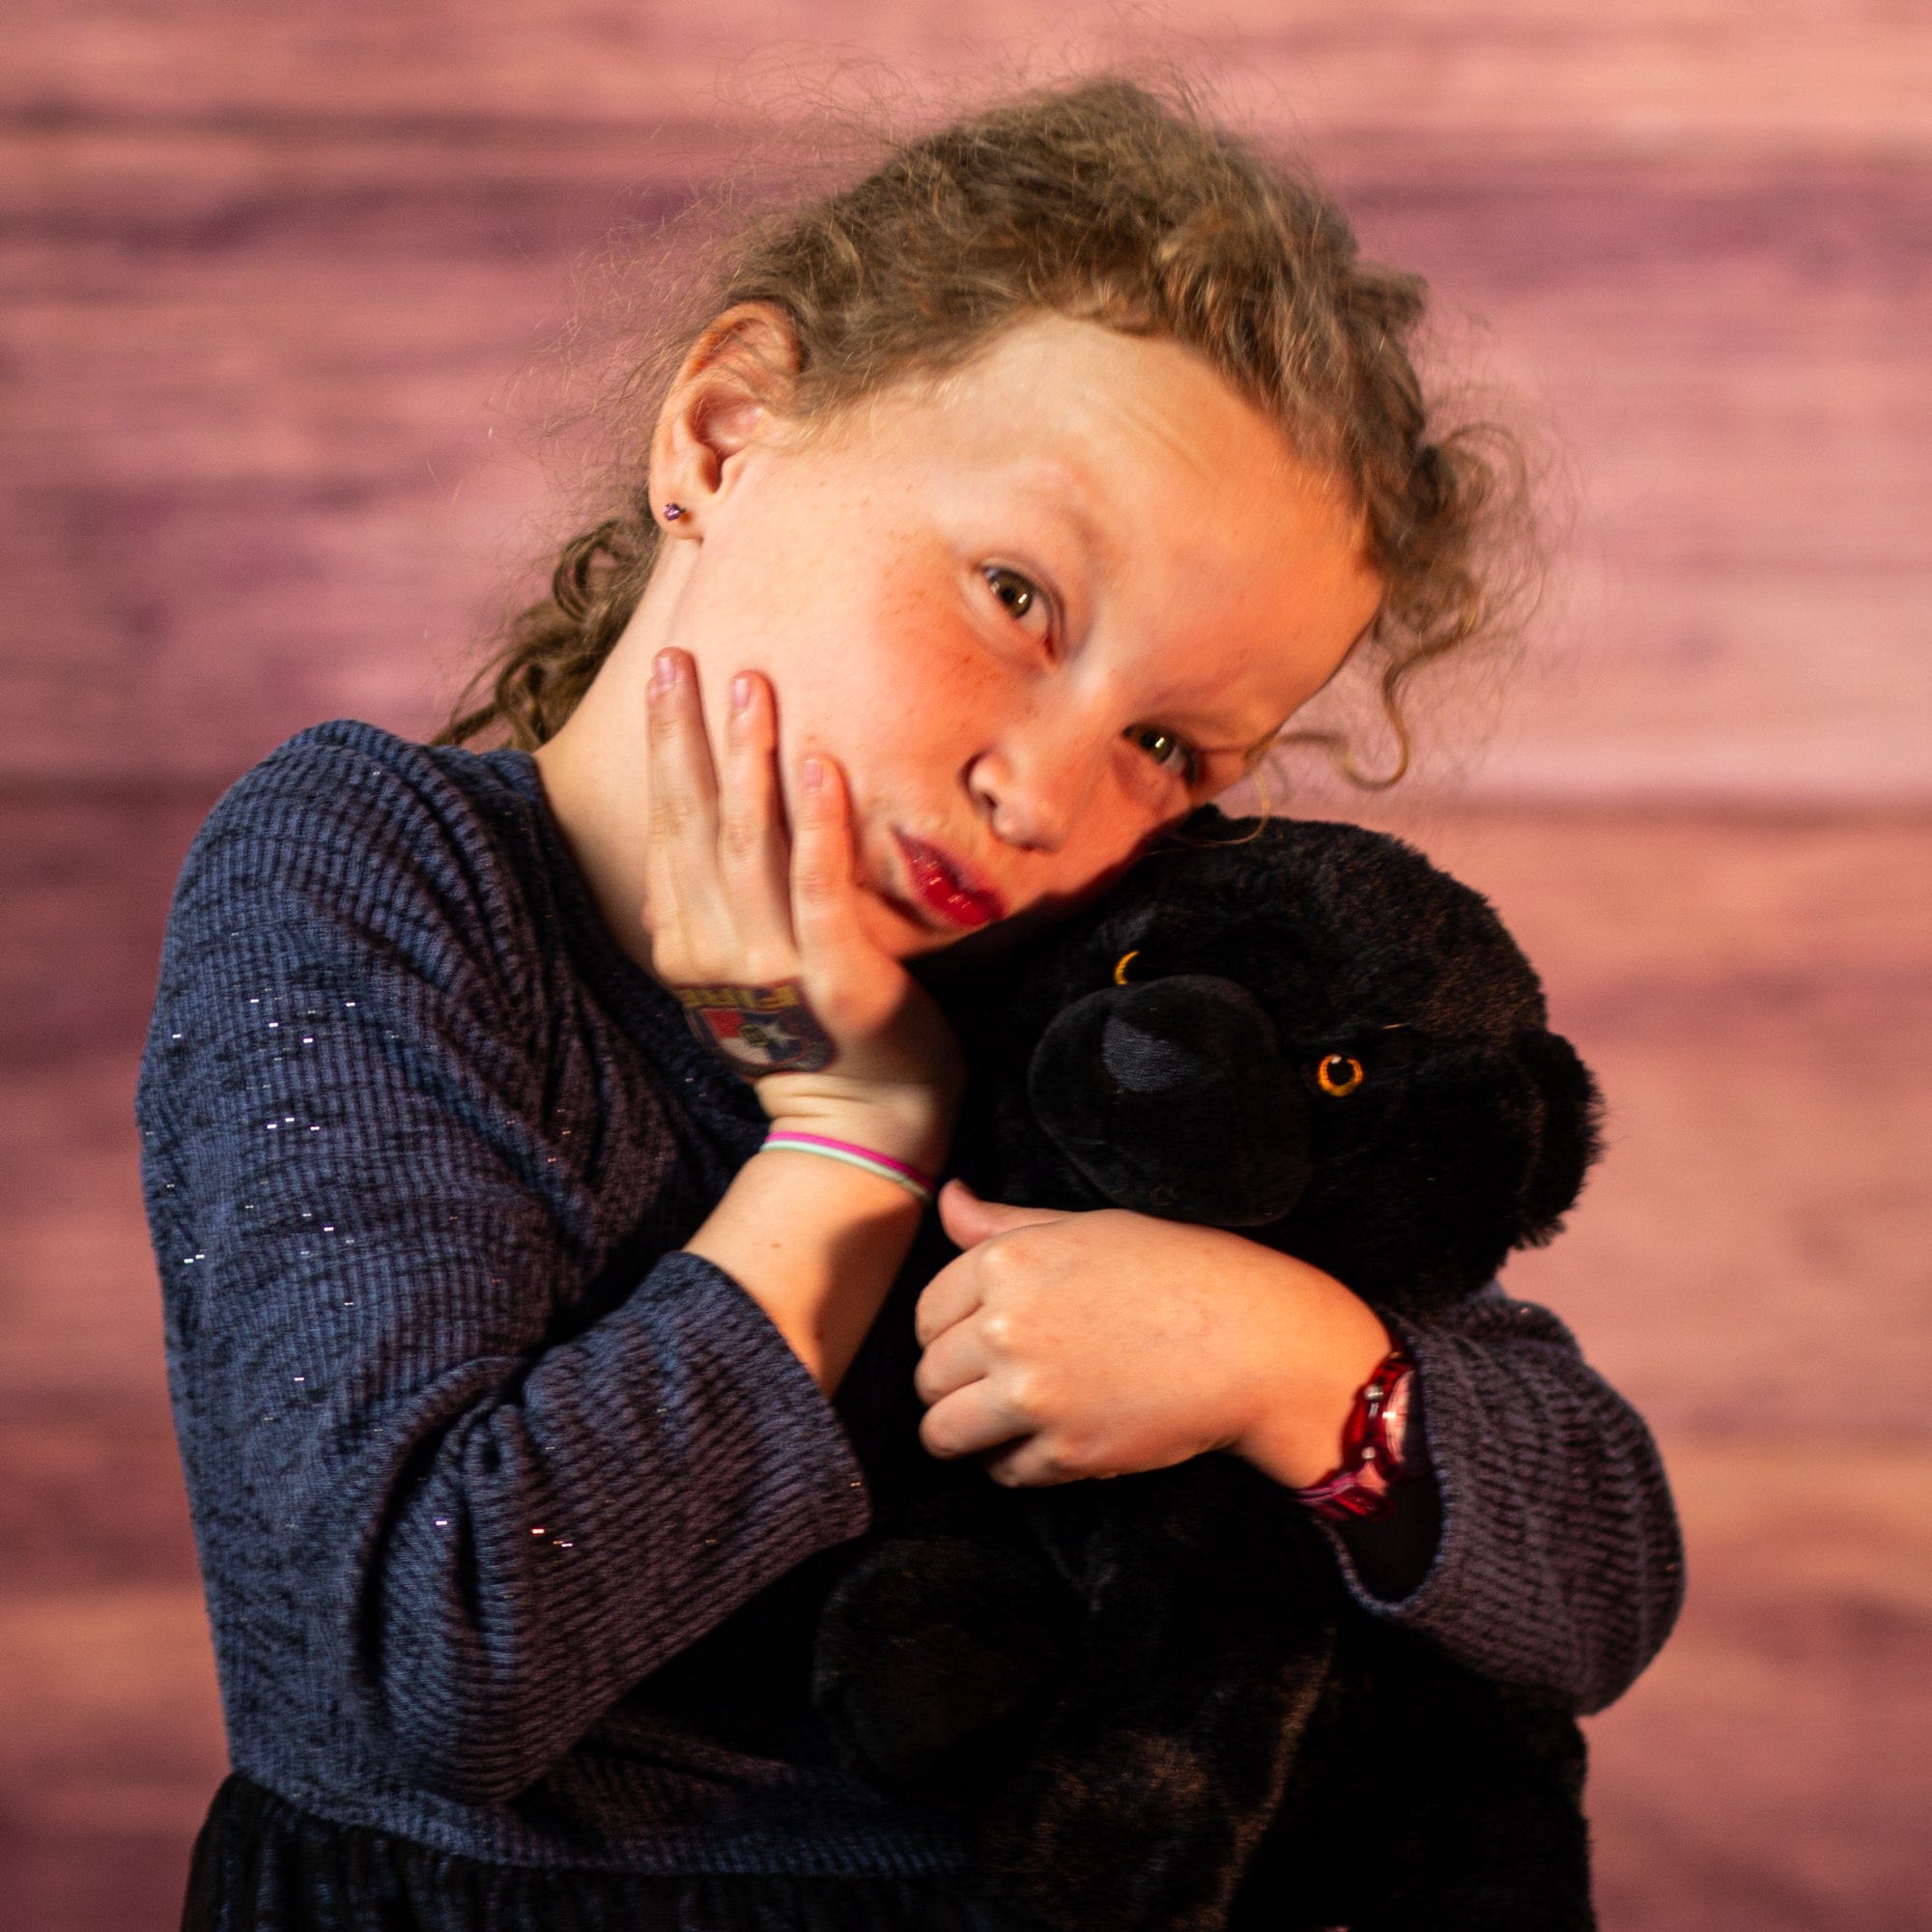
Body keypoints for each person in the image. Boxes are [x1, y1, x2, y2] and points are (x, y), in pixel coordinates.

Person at [136, 72, 1684, 1932]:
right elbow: (425, 1664)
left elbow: (1604, 1571)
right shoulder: (382, 878)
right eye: (1017, 594)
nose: (1042, 794)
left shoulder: (1121, 986)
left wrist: (1287, 1364)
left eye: (1170, 744)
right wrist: (850, 1135)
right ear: (725, 431)